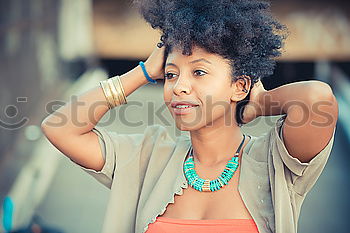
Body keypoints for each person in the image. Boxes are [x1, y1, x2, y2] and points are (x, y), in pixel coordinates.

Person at [41, 0, 338, 232]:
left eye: (198, 72)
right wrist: (142, 72)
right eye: (170, 75)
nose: (179, 87)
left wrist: (260, 102)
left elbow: (317, 100)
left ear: (239, 85)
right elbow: (59, 128)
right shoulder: (147, 157)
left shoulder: (273, 160)